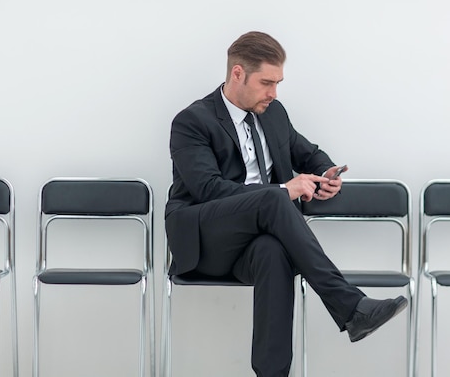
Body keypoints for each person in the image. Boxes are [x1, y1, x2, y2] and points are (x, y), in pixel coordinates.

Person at [165, 31, 407, 377]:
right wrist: (284, 189)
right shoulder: (192, 122)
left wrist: (327, 173)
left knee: (272, 251)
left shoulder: (273, 113)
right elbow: (208, 189)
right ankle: (350, 307)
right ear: (237, 73)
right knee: (275, 199)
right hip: (208, 242)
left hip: (253, 241)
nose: (273, 93)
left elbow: (308, 153)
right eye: (266, 82)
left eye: (278, 83)